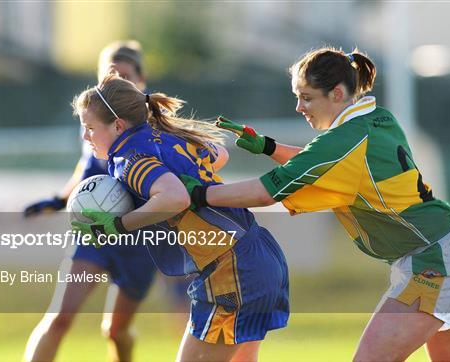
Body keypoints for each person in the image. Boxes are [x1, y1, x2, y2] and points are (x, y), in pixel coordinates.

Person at [181, 47, 450, 361]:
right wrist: (269, 147)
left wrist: (199, 195)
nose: (299, 107)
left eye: (307, 97)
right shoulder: (377, 118)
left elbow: (266, 191)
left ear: (337, 93)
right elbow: (326, 166)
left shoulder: (343, 140)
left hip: (435, 262)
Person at [70, 74, 289, 362]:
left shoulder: (130, 159)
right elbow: (218, 153)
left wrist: (119, 225)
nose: (85, 137)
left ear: (118, 125)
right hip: (257, 256)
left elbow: (176, 198)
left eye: (89, 128)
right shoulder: (164, 137)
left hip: (232, 270)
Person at [23, 40, 157, 362]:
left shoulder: (155, 127)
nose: (115, 82)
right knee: (59, 318)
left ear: (141, 80)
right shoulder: (93, 120)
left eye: (124, 76)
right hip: (95, 234)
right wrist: (59, 199)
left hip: (141, 241)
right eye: (107, 76)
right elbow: (87, 170)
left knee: (115, 331)